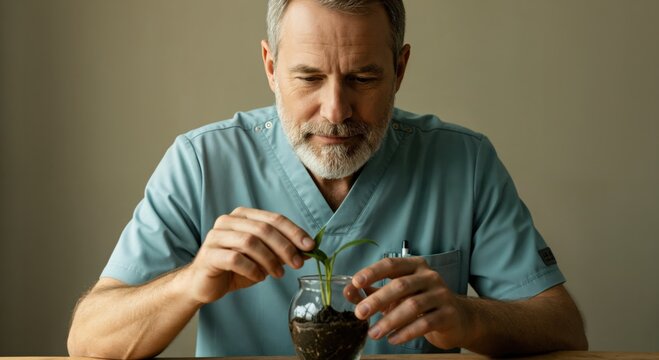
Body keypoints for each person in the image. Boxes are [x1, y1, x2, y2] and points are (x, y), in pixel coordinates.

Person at [67, 0, 588, 358]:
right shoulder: (201, 162)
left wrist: (469, 319)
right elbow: (89, 339)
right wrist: (189, 283)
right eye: (309, 77)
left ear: (399, 70)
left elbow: (562, 328)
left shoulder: (463, 162)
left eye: (363, 78)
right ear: (271, 67)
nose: (336, 111)